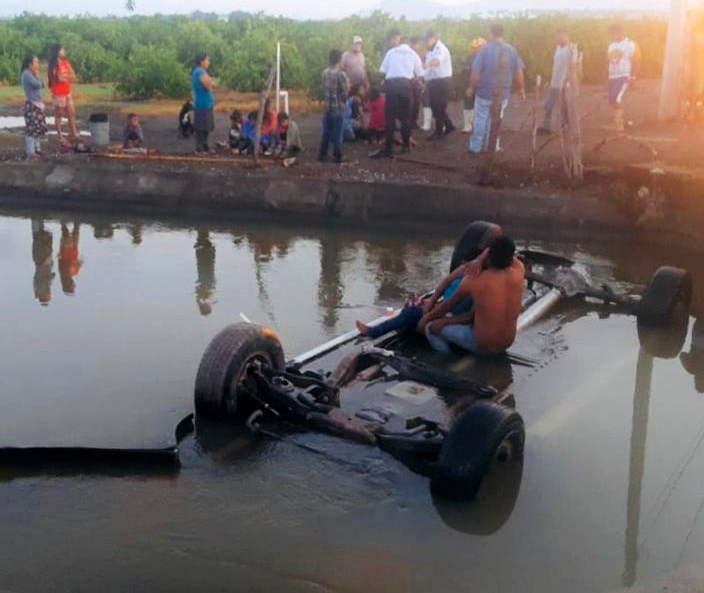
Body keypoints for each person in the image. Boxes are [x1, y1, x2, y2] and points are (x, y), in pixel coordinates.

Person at [419, 236, 525, 355]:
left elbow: (446, 306)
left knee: (430, 328)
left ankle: (445, 360)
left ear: (488, 255)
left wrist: (425, 320)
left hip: (482, 345)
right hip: (507, 343)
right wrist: (482, 258)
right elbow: (510, 255)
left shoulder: (474, 280)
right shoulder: (519, 270)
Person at [468, 24, 526, 154]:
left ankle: (476, 147)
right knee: (496, 119)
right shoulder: (511, 50)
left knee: (480, 119)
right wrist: (522, 89)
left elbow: (475, 72)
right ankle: (492, 146)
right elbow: (519, 72)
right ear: (502, 34)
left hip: (484, 93)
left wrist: (471, 87)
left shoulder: (484, 50)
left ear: (491, 33)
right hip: (502, 94)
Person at [374, 32, 425, 158]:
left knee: (390, 119)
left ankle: (388, 148)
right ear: (408, 44)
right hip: (406, 87)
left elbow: (383, 71)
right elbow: (420, 74)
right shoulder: (413, 54)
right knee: (406, 118)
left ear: (400, 42)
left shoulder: (391, 52)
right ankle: (406, 146)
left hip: (392, 86)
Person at [318, 49, 349, 164]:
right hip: (337, 108)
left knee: (326, 132)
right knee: (337, 133)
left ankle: (322, 154)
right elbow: (345, 93)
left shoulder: (324, 73)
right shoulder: (341, 74)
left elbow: (323, 88)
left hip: (327, 108)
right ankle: (337, 155)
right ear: (339, 60)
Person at [538, 30, 572, 135]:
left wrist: (567, 81)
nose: (557, 39)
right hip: (555, 82)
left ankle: (563, 125)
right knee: (550, 105)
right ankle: (548, 126)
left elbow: (573, 67)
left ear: (566, 37)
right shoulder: (558, 48)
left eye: (560, 37)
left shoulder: (570, 50)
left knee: (562, 105)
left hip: (563, 83)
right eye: (556, 37)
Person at [607, 25, 640, 132]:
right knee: (612, 100)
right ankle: (616, 121)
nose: (612, 37)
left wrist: (633, 76)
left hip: (624, 76)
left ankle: (618, 125)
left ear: (620, 33)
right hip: (612, 77)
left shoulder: (631, 44)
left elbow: (637, 61)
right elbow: (608, 61)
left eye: (613, 35)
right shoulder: (611, 45)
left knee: (617, 98)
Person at [424, 30, 455, 139]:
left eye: (427, 40)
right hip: (434, 82)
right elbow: (429, 70)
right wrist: (425, 79)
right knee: (435, 107)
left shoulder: (440, 48)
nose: (426, 42)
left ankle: (439, 132)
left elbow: (437, 62)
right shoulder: (430, 50)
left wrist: (426, 64)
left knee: (439, 107)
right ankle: (449, 126)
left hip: (442, 81)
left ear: (433, 38)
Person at [47, 44, 78, 145]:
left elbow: (74, 76)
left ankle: (74, 133)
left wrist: (65, 77)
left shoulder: (65, 62)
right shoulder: (53, 65)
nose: (64, 51)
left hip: (67, 91)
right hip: (58, 93)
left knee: (72, 112)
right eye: (62, 49)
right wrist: (66, 77)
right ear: (57, 51)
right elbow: (59, 79)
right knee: (59, 114)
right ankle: (60, 136)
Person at [21, 55, 47, 160]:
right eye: (35, 62)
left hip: (37, 104)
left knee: (38, 129)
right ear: (29, 64)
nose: (37, 64)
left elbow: (43, 84)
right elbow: (38, 85)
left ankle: (37, 149)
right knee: (31, 130)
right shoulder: (26, 74)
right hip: (32, 105)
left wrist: (38, 76)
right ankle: (31, 152)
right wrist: (38, 76)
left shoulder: (31, 73)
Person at [461, 37, 486, 133]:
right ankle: (468, 125)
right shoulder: (469, 59)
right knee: (468, 104)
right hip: (470, 84)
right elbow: (466, 73)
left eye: (478, 47)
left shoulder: (487, 58)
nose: (476, 49)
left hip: (483, 86)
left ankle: (479, 126)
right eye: (474, 47)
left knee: (481, 107)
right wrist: (468, 86)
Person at [191, 53, 215, 153]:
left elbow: (211, 83)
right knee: (201, 127)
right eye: (207, 60)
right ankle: (200, 148)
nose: (208, 62)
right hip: (202, 104)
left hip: (207, 103)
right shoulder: (199, 72)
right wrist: (210, 81)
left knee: (207, 126)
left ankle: (205, 146)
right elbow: (208, 85)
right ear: (201, 62)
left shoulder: (202, 72)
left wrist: (210, 81)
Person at [58, 222, 82, 296]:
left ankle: (64, 221)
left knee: (72, 231)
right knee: (71, 231)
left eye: (73, 286)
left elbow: (74, 264)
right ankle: (63, 221)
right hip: (69, 251)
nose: (74, 285)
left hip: (69, 252)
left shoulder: (69, 273)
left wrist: (79, 263)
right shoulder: (66, 273)